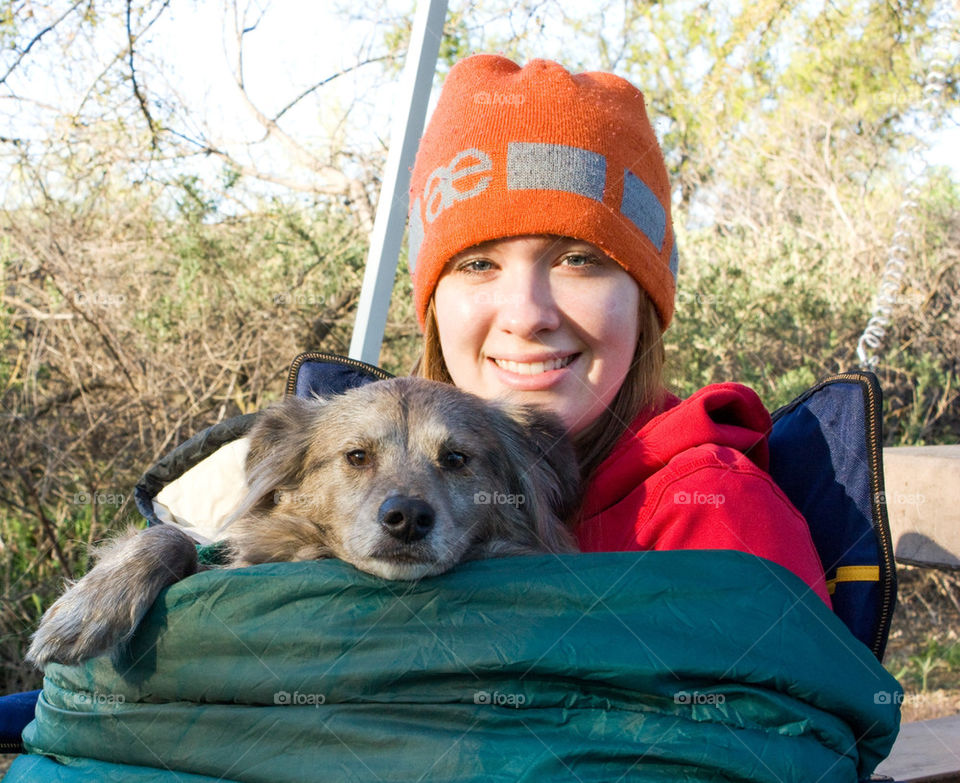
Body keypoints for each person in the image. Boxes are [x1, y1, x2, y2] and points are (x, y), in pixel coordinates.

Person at [406, 54, 831, 606]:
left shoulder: (712, 514)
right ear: (435, 305)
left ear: (645, 297)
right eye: (478, 265)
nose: (526, 314)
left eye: (578, 259)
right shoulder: (377, 500)